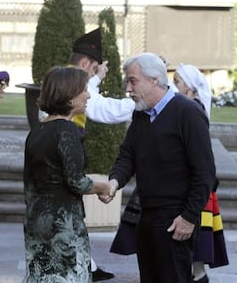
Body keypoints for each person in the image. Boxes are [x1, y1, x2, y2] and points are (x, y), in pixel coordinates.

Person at [106, 52, 217, 283]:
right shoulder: (141, 115)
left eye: (133, 80)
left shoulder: (188, 112)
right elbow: (128, 155)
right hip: (146, 216)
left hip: (176, 218)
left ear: (154, 79)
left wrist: (188, 217)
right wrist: (114, 181)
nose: (128, 87)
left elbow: (205, 172)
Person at [23, 65, 112, 282]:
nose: (88, 94)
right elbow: (77, 182)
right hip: (64, 226)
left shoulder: (37, 130)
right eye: (84, 89)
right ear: (69, 97)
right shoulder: (67, 131)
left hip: (36, 221)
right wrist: (104, 187)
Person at [69, 27, 135, 281]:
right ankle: (84, 266)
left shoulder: (70, 79)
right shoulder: (74, 84)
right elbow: (102, 109)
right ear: (86, 62)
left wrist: (97, 78)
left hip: (67, 146)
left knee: (73, 214)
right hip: (65, 146)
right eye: (93, 68)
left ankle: (88, 264)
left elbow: (90, 94)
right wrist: (143, 101)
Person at [174, 63, 229, 283]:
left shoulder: (193, 110)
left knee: (194, 242)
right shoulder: (192, 107)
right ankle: (197, 275)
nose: (173, 87)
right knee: (193, 248)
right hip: (194, 184)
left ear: (189, 88)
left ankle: (197, 276)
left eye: (177, 83)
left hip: (194, 185)